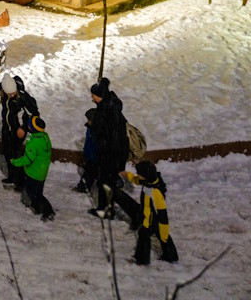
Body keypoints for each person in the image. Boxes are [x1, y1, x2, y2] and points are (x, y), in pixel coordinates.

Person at [0, 73, 39, 191]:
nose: (12, 95)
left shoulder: (23, 96)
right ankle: (12, 177)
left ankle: (20, 182)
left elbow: (34, 114)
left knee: (16, 154)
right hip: (7, 128)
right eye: (9, 94)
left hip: (18, 130)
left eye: (13, 93)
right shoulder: (3, 88)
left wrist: (24, 128)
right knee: (8, 152)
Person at [88, 76, 132, 219]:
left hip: (108, 155)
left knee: (104, 182)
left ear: (99, 96)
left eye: (93, 95)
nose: (91, 97)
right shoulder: (112, 105)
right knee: (108, 182)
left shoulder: (104, 113)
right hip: (114, 154)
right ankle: (109, 208)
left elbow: (105, 136)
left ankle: (107, 210)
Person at [122, 160, 179, 265]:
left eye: (139, 174)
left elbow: (162, 214)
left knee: (160, 236)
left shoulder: (156, 192)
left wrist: (164, 231)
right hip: (148, 215)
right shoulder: (148, 181)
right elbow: (137, 180)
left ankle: (143, 259)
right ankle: (170, 256)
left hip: (154, 219)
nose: (137, 175)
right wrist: (128, 175)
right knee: (146, 234)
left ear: (145, 175)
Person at [11, 114, 55, 221]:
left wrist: (15, 162)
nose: (28, 127)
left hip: (33, 173)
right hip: (41, 173)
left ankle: (48, 211)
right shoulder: (45, 138)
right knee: (37, 192)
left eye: (29, 126)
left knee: (35, 193)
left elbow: (27, 159)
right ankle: (37, 208)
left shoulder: (34, 143)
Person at [75, 108, 99, 194]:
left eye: (89, 119)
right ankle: (83, 187)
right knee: (89, 172)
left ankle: (83, 187)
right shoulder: (90, 128)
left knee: (90, 173)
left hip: (96, 157)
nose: (88, 121)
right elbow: (88, 142)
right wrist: (86, 153)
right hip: (91, 156)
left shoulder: (99, 131)